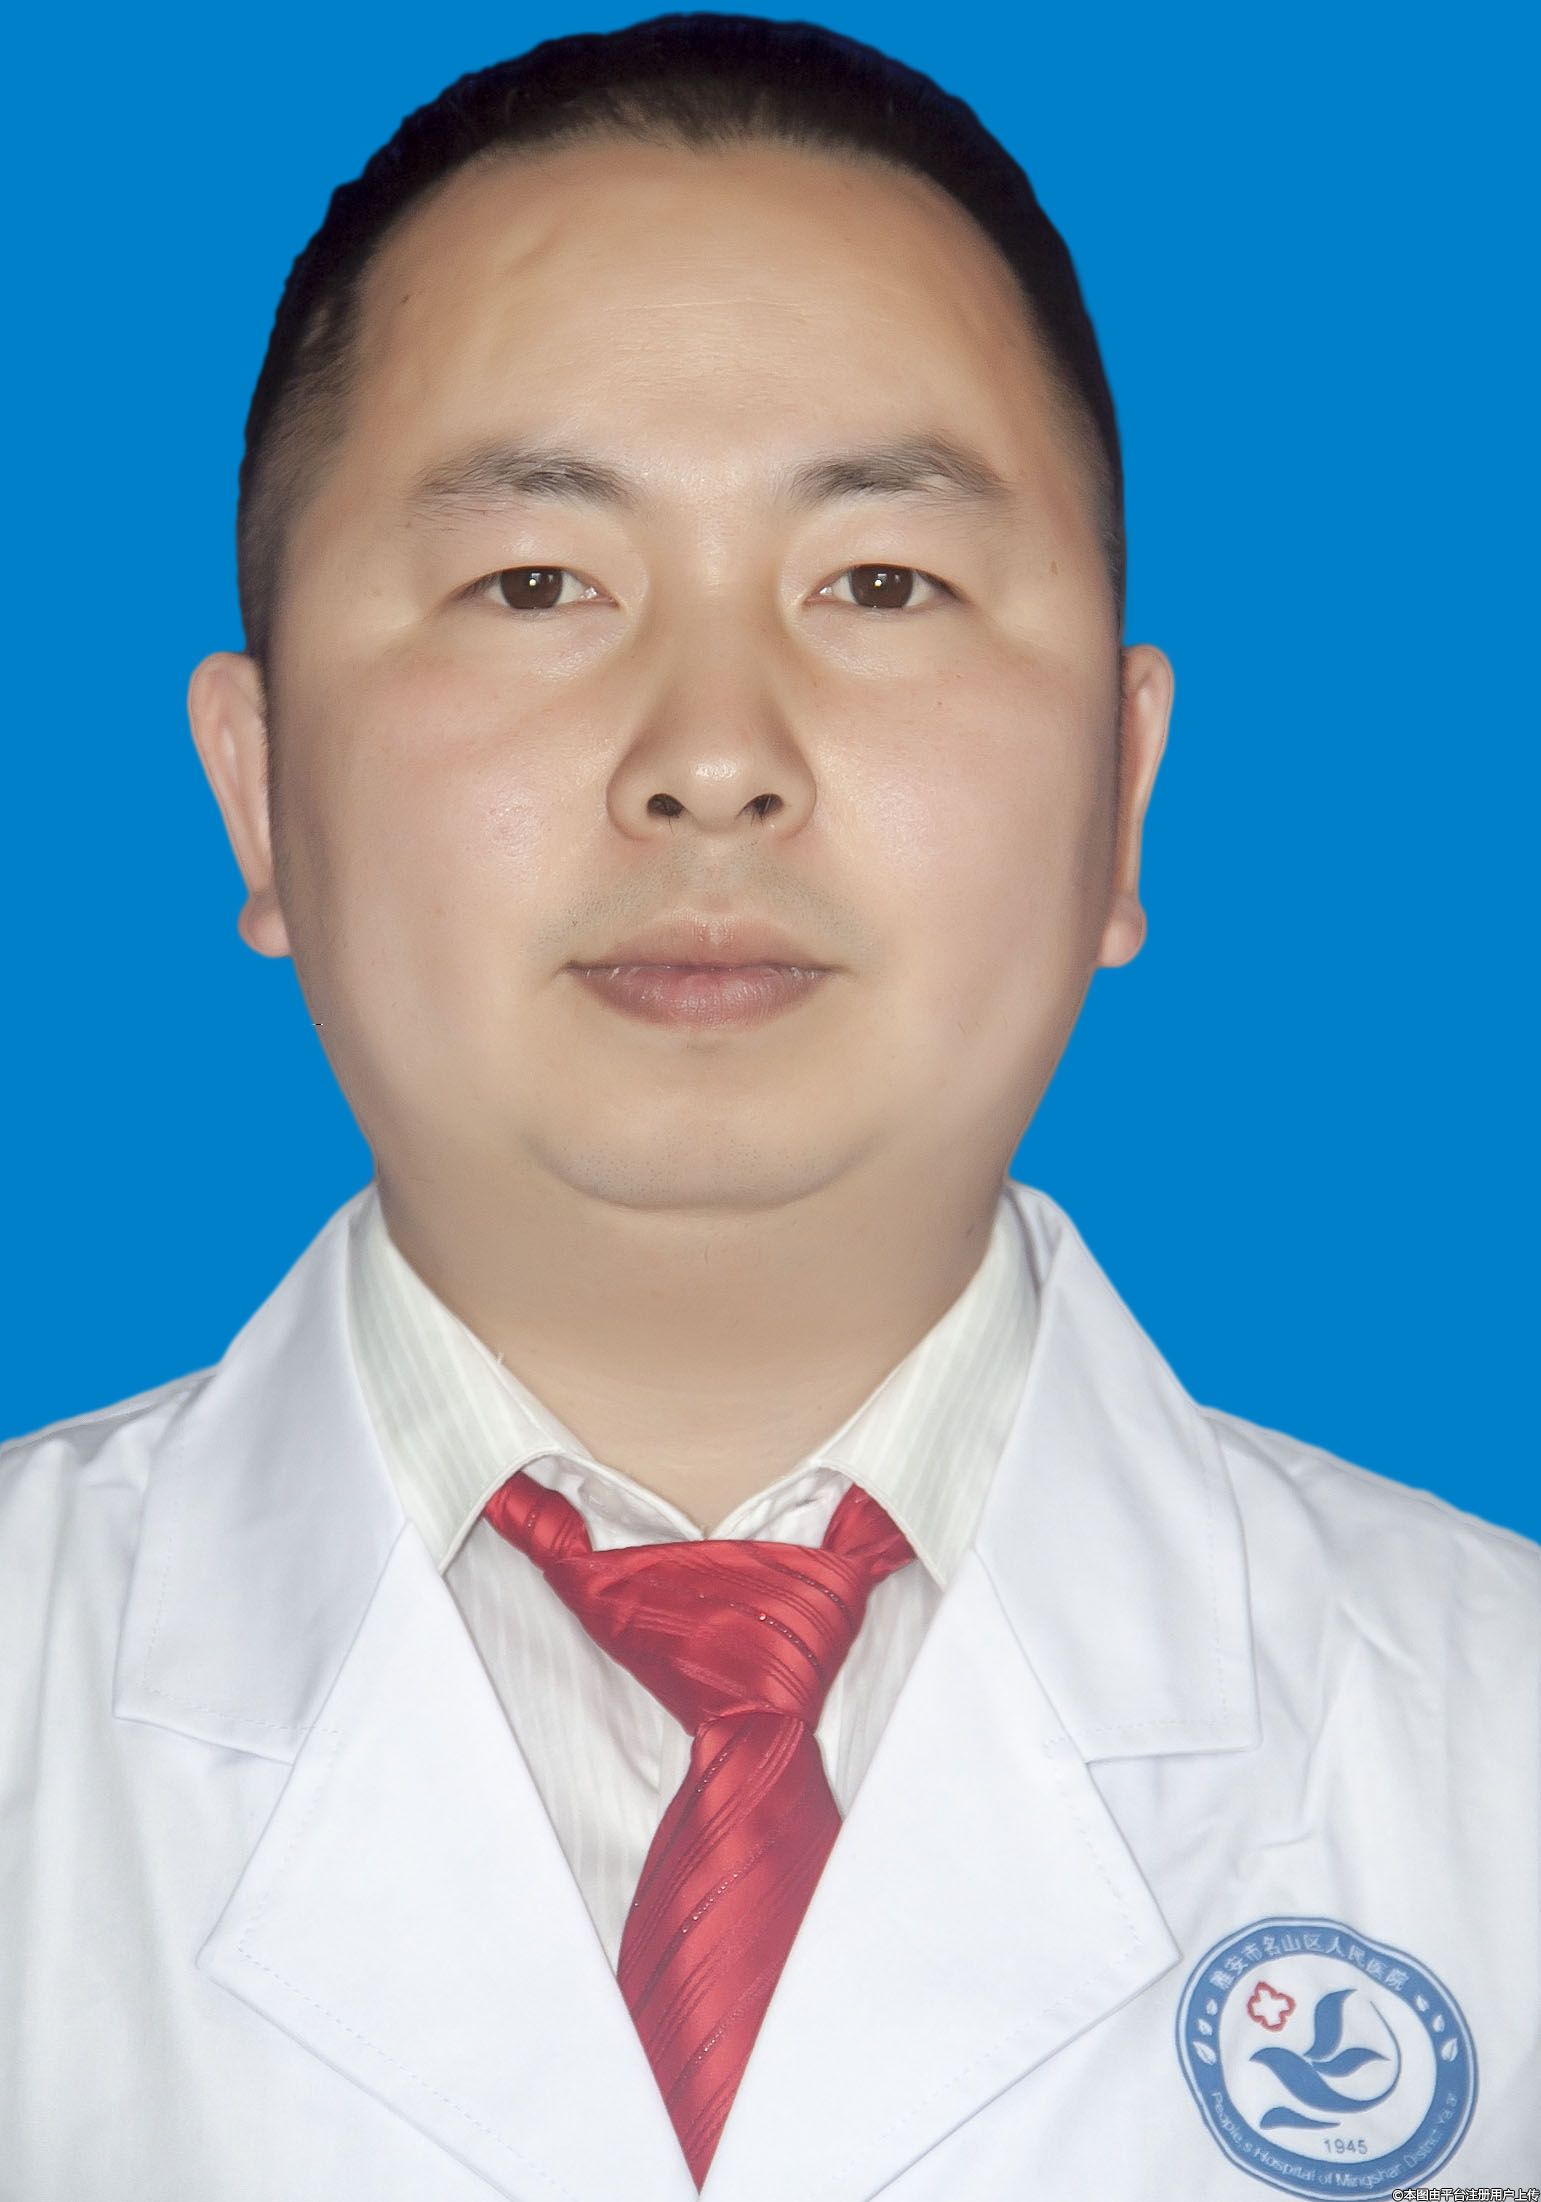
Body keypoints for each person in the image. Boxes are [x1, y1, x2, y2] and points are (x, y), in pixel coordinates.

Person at [2, 14, 1535, 2198]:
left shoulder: (1502, 1751)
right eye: (535, 585)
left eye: (879, 585)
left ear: (1122, 792)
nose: (713, 757)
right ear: (256, 790)